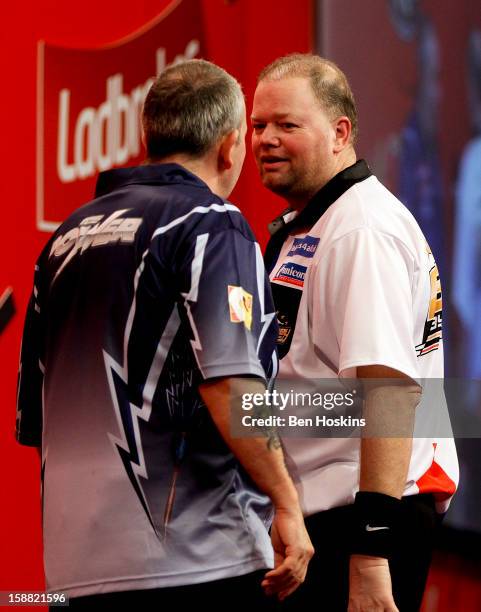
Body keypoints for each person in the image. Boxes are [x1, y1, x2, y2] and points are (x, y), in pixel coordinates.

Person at [16, 59, 313, 610]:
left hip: (69, 571)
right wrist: (287, 503)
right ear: (229, 147)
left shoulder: (61, 241)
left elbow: (34, 419)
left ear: (146, 136)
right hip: (195, 563)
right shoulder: (212, 224)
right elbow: (232, 387)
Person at [251, 53, 458, 611]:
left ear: (340, 132)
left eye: (286, 125)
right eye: (258, 125)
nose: (266, 139)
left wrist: (371, 554)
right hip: (329, 518)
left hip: (364, 521)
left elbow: (389, 391)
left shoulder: (361, 230)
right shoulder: (316, 223)